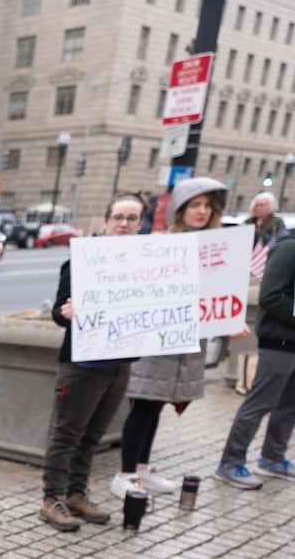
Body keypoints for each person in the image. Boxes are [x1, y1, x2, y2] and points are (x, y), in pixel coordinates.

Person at [110, 177, 225, 499]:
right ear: (180, 209)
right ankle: (126, 473)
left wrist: (229, 318)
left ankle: (142, 468)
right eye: (195, 205)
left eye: (206, 206)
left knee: (156, 404)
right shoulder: (162, 243)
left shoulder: (215, 246)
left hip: (187, 340)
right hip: (158, 337)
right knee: (145, 403)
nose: (201, 211)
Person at [38, 194, 143, 530]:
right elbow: (57, 311)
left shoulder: (145, 264)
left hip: (119, 363)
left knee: (93, 435)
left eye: (132, 218)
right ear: (106, 221)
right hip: (82, 366)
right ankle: (52, 497)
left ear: (140, 224)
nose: (125, 224)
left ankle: (75, 493)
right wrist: (65, 312)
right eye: (119, 217)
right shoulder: (82, 260)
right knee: (67, 434)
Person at [215, 231, 295, 489]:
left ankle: (273, 457)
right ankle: (230, 462)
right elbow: (270, 296)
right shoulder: (289, 248)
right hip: (280, 341)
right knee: (261, 403)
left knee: (289, 405)